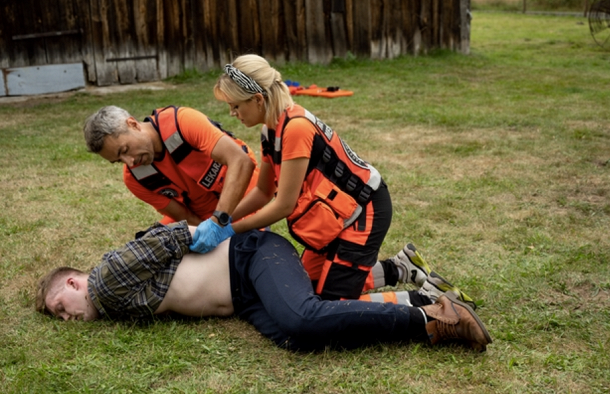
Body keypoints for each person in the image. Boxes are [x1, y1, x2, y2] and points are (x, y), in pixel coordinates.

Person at [35, 221, 492, 352]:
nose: (67, 317)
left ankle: (432, 320)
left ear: (74, 281)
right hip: (243, 296)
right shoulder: (117, 304)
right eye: (59, 318)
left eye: (61, 305)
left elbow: (167, 235)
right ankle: (413, 292)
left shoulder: (106, 279)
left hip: (249, 255)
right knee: (296, 335)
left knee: (302, 315)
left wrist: (220, 229)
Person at [189, 54, 428, 302]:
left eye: (235, 105)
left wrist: (229, 230)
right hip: (336, 215)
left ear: (258, 99)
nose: (232, 113)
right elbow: (263, 192)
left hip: (364, 211)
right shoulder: (269, 132)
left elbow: (284, 205)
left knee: (332, 309)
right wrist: (220, 220)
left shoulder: (296, 128)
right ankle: (400, 267)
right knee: (305, 288)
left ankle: (427, 302)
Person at [83, 105, 260, 232]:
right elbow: (184, 216)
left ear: (133, 125)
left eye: (125, 150)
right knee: (151, 246)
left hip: (244, 194)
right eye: (118, 160)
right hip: (204, 217)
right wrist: (205, 232)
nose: (129, 162)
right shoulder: (134, 178)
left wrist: (218, 223)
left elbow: (241, 162)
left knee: (243, 246)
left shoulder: (182, 121)